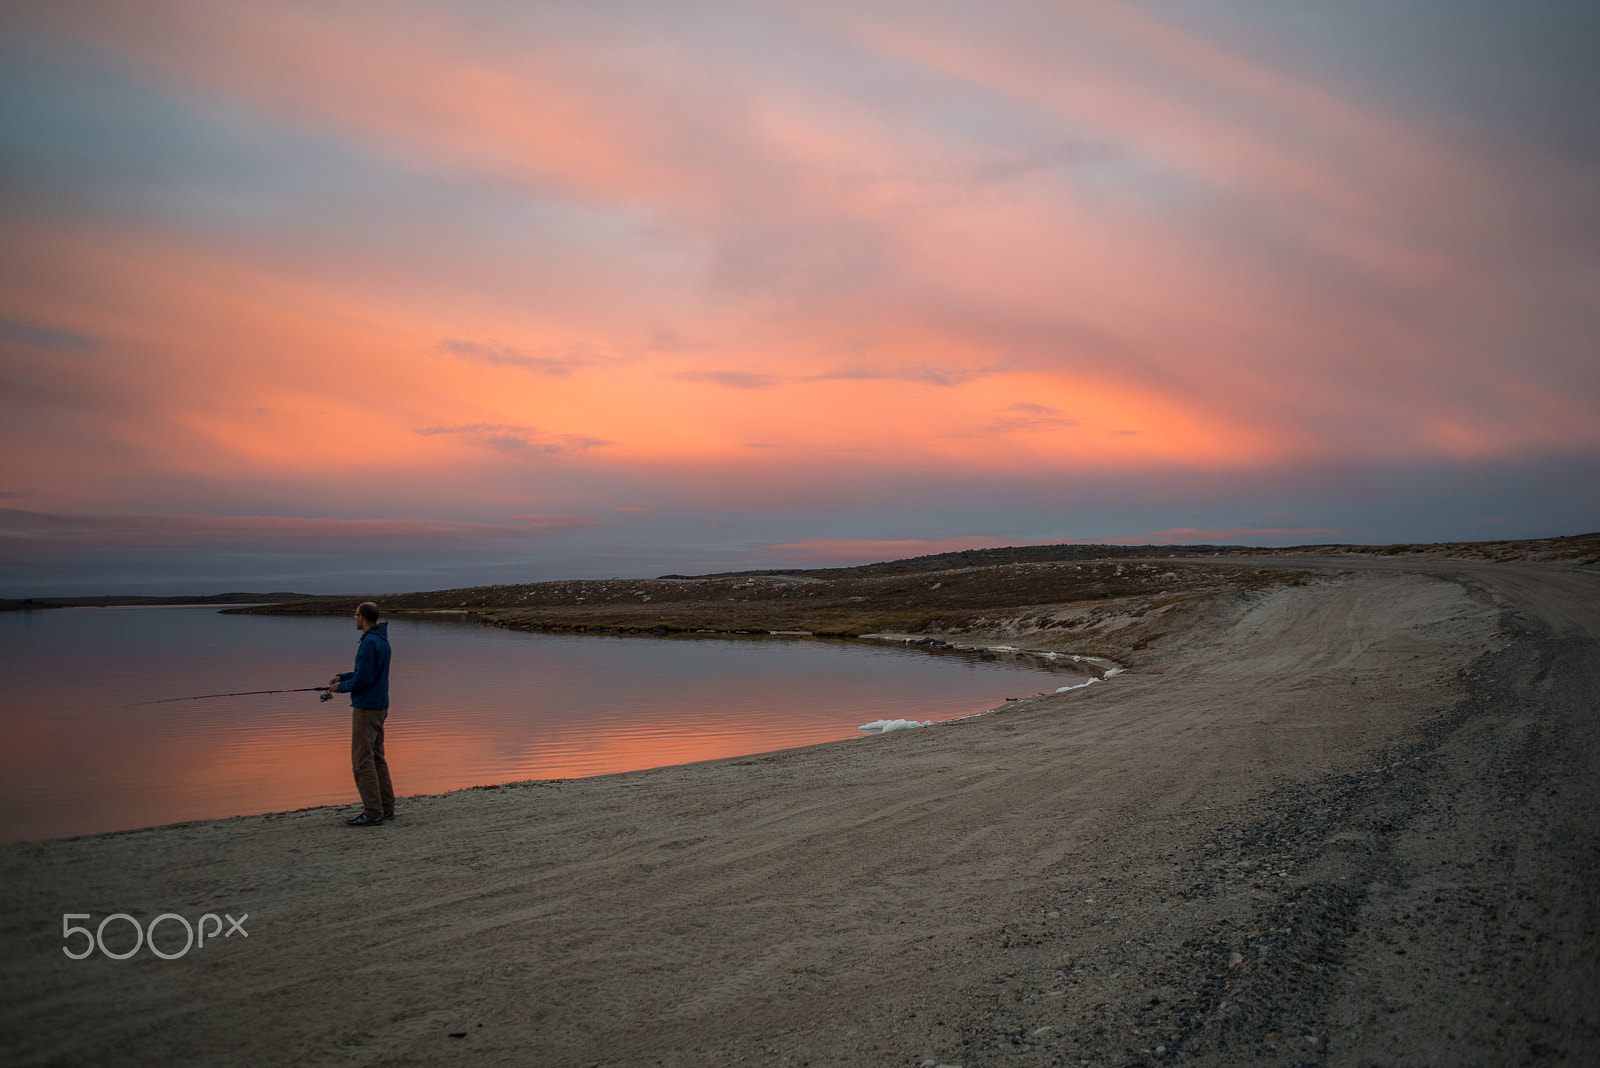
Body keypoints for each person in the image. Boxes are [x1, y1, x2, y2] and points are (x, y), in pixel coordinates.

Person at [327, 601, 394, 826]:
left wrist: (341, 688)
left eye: (355, 615)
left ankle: (373, 812)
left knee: (361, 761)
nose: (354, 618)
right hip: (379, 705)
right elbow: (365, 673)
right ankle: (386, 808)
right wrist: (343, 677)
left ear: (363, 616)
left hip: (367, 708)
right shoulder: (381, 640)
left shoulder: (369, 642)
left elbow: (365, 679)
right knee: (377, 758)